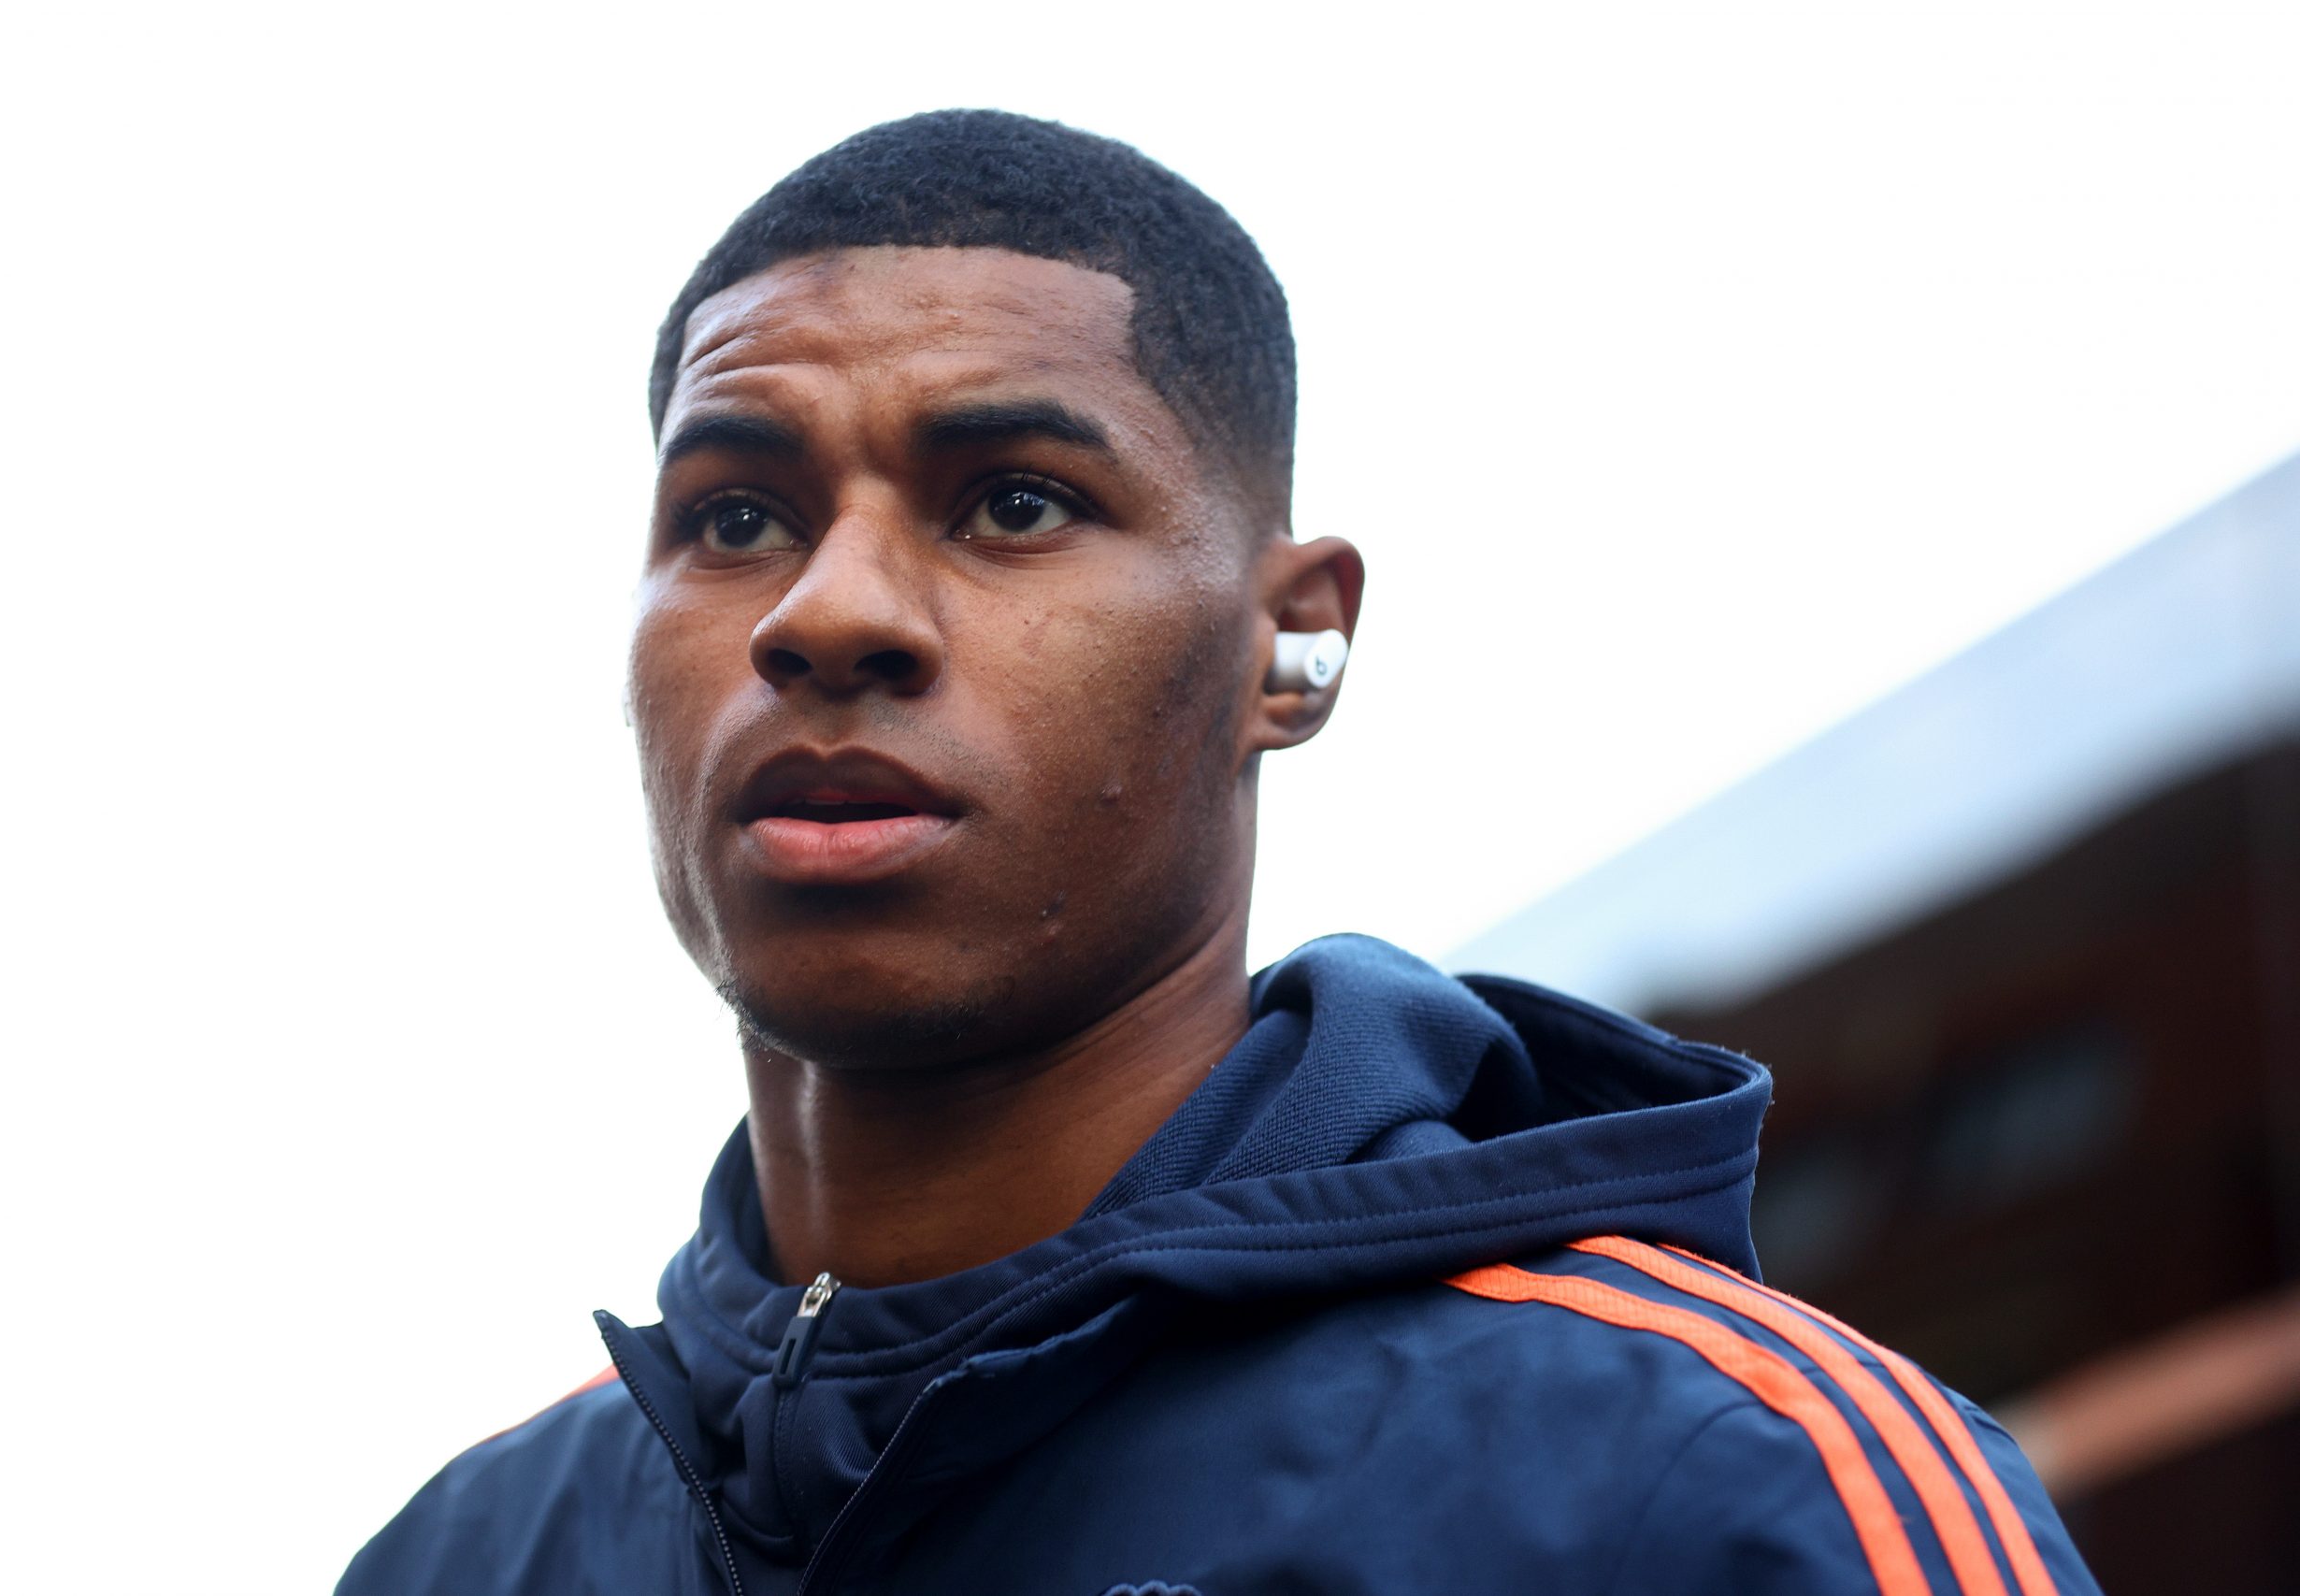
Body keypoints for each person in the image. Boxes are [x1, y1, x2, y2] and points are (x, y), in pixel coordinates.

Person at [339, 109, 2097, 1596]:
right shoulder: (465, 1553)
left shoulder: (1714, 1482)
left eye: (1014, 501)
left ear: (1289, 644)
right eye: (733, 517)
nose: (828, 611)